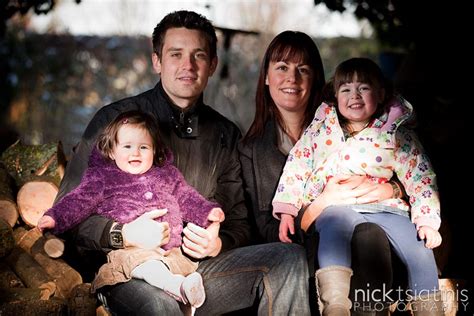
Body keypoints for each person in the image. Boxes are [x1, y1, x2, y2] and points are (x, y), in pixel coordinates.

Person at [55, 10, 310, 315]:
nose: (187, 66)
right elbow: (70, 215)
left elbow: (240, 223)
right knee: (160, 303)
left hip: (197, 271)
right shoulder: (114, 122)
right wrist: (121, 234)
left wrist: (218, 243)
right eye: (175, 54)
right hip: (129, 272)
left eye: (198, 55)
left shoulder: (225, 133)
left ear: (212, 64)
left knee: (288, 258)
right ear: (157, 61)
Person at [238, 31, 404, 315]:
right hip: (307, 260)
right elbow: (268, 230)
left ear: (316, 78)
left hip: (372, 242)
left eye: (303, 69)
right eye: (282, 68)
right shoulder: (250, 149)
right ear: (266, 77)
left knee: (369, 237)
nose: (292, 78)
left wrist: (391, 190)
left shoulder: (348, 120)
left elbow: (402, 167)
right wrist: (323, 203)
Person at [273, 57, 443, 315]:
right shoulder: (321, 129)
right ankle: (335, 305)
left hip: (386, 207)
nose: (355, 96)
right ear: (335, 95)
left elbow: (420, 175)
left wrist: (427, 219)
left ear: (381, 93)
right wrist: (287, 209)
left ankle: (431, 310)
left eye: (363, 88)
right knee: (333, 228)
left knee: (420, 247)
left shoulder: (394, 132)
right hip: (336, 205)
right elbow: (298, 164)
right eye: (346, 89)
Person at [38, 110, 225, 309]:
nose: (135, 153)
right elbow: (78, 201)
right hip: (131, 252)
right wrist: (55, 217)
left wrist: (207, 211)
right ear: (111, 151)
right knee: (144, 264)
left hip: (170, 253)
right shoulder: (102, 178)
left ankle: (183, 296)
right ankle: (175, 287)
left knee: (185, 266)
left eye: (143, 147)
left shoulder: (167, 175)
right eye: (127, 146)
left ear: (154, 151)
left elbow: (187, 197)